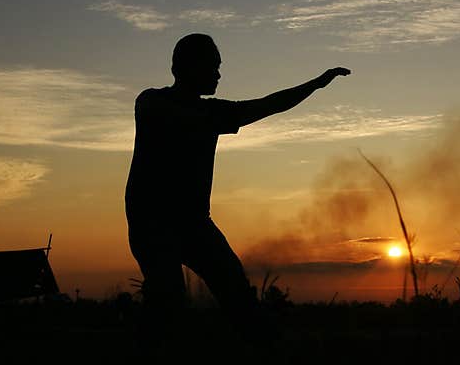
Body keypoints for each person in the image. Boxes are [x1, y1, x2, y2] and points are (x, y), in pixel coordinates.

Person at [125, 33, 350, 339]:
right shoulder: (151, 102)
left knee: (236, 293)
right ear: (187, 67)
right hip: (152, 225)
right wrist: (215, 117)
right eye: (212, 66)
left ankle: (258, 357)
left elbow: (270, 105)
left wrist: (315, 84)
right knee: (169, 303)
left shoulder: (212, 112)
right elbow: (246, 109)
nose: (219, 74)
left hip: (194, 224)